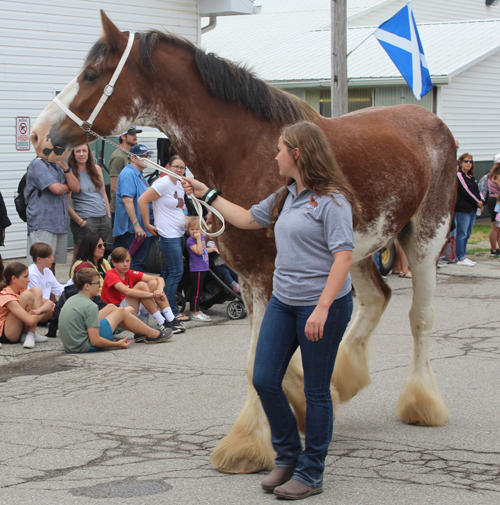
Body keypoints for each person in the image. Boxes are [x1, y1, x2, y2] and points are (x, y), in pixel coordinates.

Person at [182, 121, 360, 499]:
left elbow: (344, 258)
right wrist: (207, 194)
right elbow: (246, 218)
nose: (275, 155)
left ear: (297, 154)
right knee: (264, 378)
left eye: (280, 149)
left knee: (315, 391)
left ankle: (311, 473)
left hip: (321, 306)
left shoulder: (332, 201)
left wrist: (322, 308)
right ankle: (288, 456)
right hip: (284, 300)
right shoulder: (286, 195)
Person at [59, 268, 173, 352]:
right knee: (121, 311)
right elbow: (95, 341)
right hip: (83, 345)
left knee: (111, 307)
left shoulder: (72, 299)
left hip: (71, 345)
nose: (99, 286)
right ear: (87, 286)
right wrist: (118, 344)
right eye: (97, 283)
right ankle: (152, 334)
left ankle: (139, 332)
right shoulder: (90, 306)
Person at [138, 155, 190, 322]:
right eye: (176, 166)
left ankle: (164, 309)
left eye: (182, 168)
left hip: (178, 233)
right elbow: (142, 200)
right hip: (168, 235)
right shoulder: (163, 183)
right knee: (176, 272)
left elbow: (178, 209)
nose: (179, 170)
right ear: (168, 166)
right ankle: (172, 312)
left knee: (167, 274)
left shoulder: (179, 185)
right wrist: (146, 224)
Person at [101, 247, 185, 334]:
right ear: (114, 263)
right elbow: (127, 291)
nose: (125, 264)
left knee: (153, 283)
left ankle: (171, 319)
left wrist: (159, 290)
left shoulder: (129, 273)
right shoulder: (111, 274)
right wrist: (153, 295)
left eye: (127, 261)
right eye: (121, 262)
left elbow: (159, 279)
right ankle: (162, 322)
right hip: (114, 317)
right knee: (142, 286)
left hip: (128, 309)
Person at [25, 157, 80, 271]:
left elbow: (75, 187)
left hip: (60, 223)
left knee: (51, 264)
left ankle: (50, 289)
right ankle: (37, 289)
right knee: (40, 265)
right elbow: (56, 189)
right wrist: (67, 186)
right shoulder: (38, 164)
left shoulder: (60, 165)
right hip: (43, 223)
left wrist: (65, 168)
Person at [67, 144, 112, 265]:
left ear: (88, 153)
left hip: (103, 219)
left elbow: (103, 194)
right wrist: (81, 222)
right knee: (79, 257)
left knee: (98, 257)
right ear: (73, 154)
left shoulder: (96, 169)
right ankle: (74, 283)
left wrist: (108, 216)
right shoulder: (70, 172)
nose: (81, 154)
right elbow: (65, 204)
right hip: (85, 219)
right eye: (78, 151)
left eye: (84, 151)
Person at [113, 144, 153, 271]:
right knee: (133, 263)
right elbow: (127, 201)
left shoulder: (139, 175)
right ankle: (130, 290)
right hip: (131, 230)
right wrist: (136, 225)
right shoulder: (128, 174)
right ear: (132, 157)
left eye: (147, 155)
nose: (145, 158)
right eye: (142, 156)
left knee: (138, 262)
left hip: (141, 229)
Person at [0, 258, 54, 349]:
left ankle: (30, 334)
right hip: (7, 334)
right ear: (13, 278)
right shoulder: (6, 295)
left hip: (19, 329)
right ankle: (30, 334)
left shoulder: (21, 290)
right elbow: (30, 321)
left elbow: (50, 303)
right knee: (27, 296)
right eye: (25, 277)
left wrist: (38, 310)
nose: (28, 280)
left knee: (36, 290)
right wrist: (43, 311)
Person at [186, 217, 218, 322]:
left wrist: (212, 249)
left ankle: (198, 310)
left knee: (199, 291)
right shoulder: (190, 241)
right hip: (197, 269)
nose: (195, 232)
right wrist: (199, 239)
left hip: (203, 267)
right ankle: (194, 312)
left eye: (197, 229)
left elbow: (203, 250)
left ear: (202, 229)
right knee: (196, 292)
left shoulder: (202, 239)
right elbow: (199, 252)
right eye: (192, 229)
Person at [455, 153, 483, 267]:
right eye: (466, 161)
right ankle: (460, 258)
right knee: (462, 232)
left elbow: (477, 190)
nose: (468, 164)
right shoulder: (459, 175)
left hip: (472, 209)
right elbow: (465, 191)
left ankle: (464, 255)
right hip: (462, 209)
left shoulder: (471, 177)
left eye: (470, 161)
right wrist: (477, 201)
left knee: (468, 233)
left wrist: (481, 201)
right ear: (461, 163)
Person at [109, 126, 141, 223]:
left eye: (135, 134)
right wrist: (127, 207)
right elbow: (114, 187)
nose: (135, 136)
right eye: (132, 134)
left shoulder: (131, 156)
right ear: (123, 136)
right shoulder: (118, 156)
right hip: (121, 210)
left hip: (132, 207)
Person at [27, 242, 65, 323]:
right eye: (49, 257)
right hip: (37, 309)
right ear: (39, 259)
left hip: (47, 307)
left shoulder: (47, 271)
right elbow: (37, 299)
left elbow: (59, 289)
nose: (52, 259)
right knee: (60, 310)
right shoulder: (32, 273)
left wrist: (74, 283)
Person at [485, 159, 500, 256]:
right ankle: (494, 250)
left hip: (492, 200)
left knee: (497, 227)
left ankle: (495, 249)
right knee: (495, 227)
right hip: (496, 201)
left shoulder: (491, 175)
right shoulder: (498, 176)